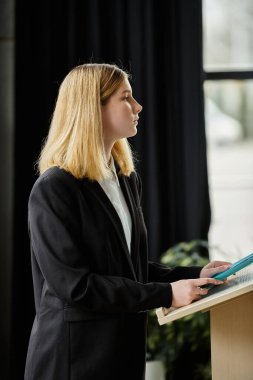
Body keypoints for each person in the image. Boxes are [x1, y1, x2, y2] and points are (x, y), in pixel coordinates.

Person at [24, 63, 230, 380]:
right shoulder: (54, 189)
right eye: (126, 97)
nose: (138, 106)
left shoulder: (123, 179)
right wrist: (165, 293)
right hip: (73, 362)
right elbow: (77, 287)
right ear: (94, 108)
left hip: (121, 355)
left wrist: (194, 274)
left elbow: (126, 268)